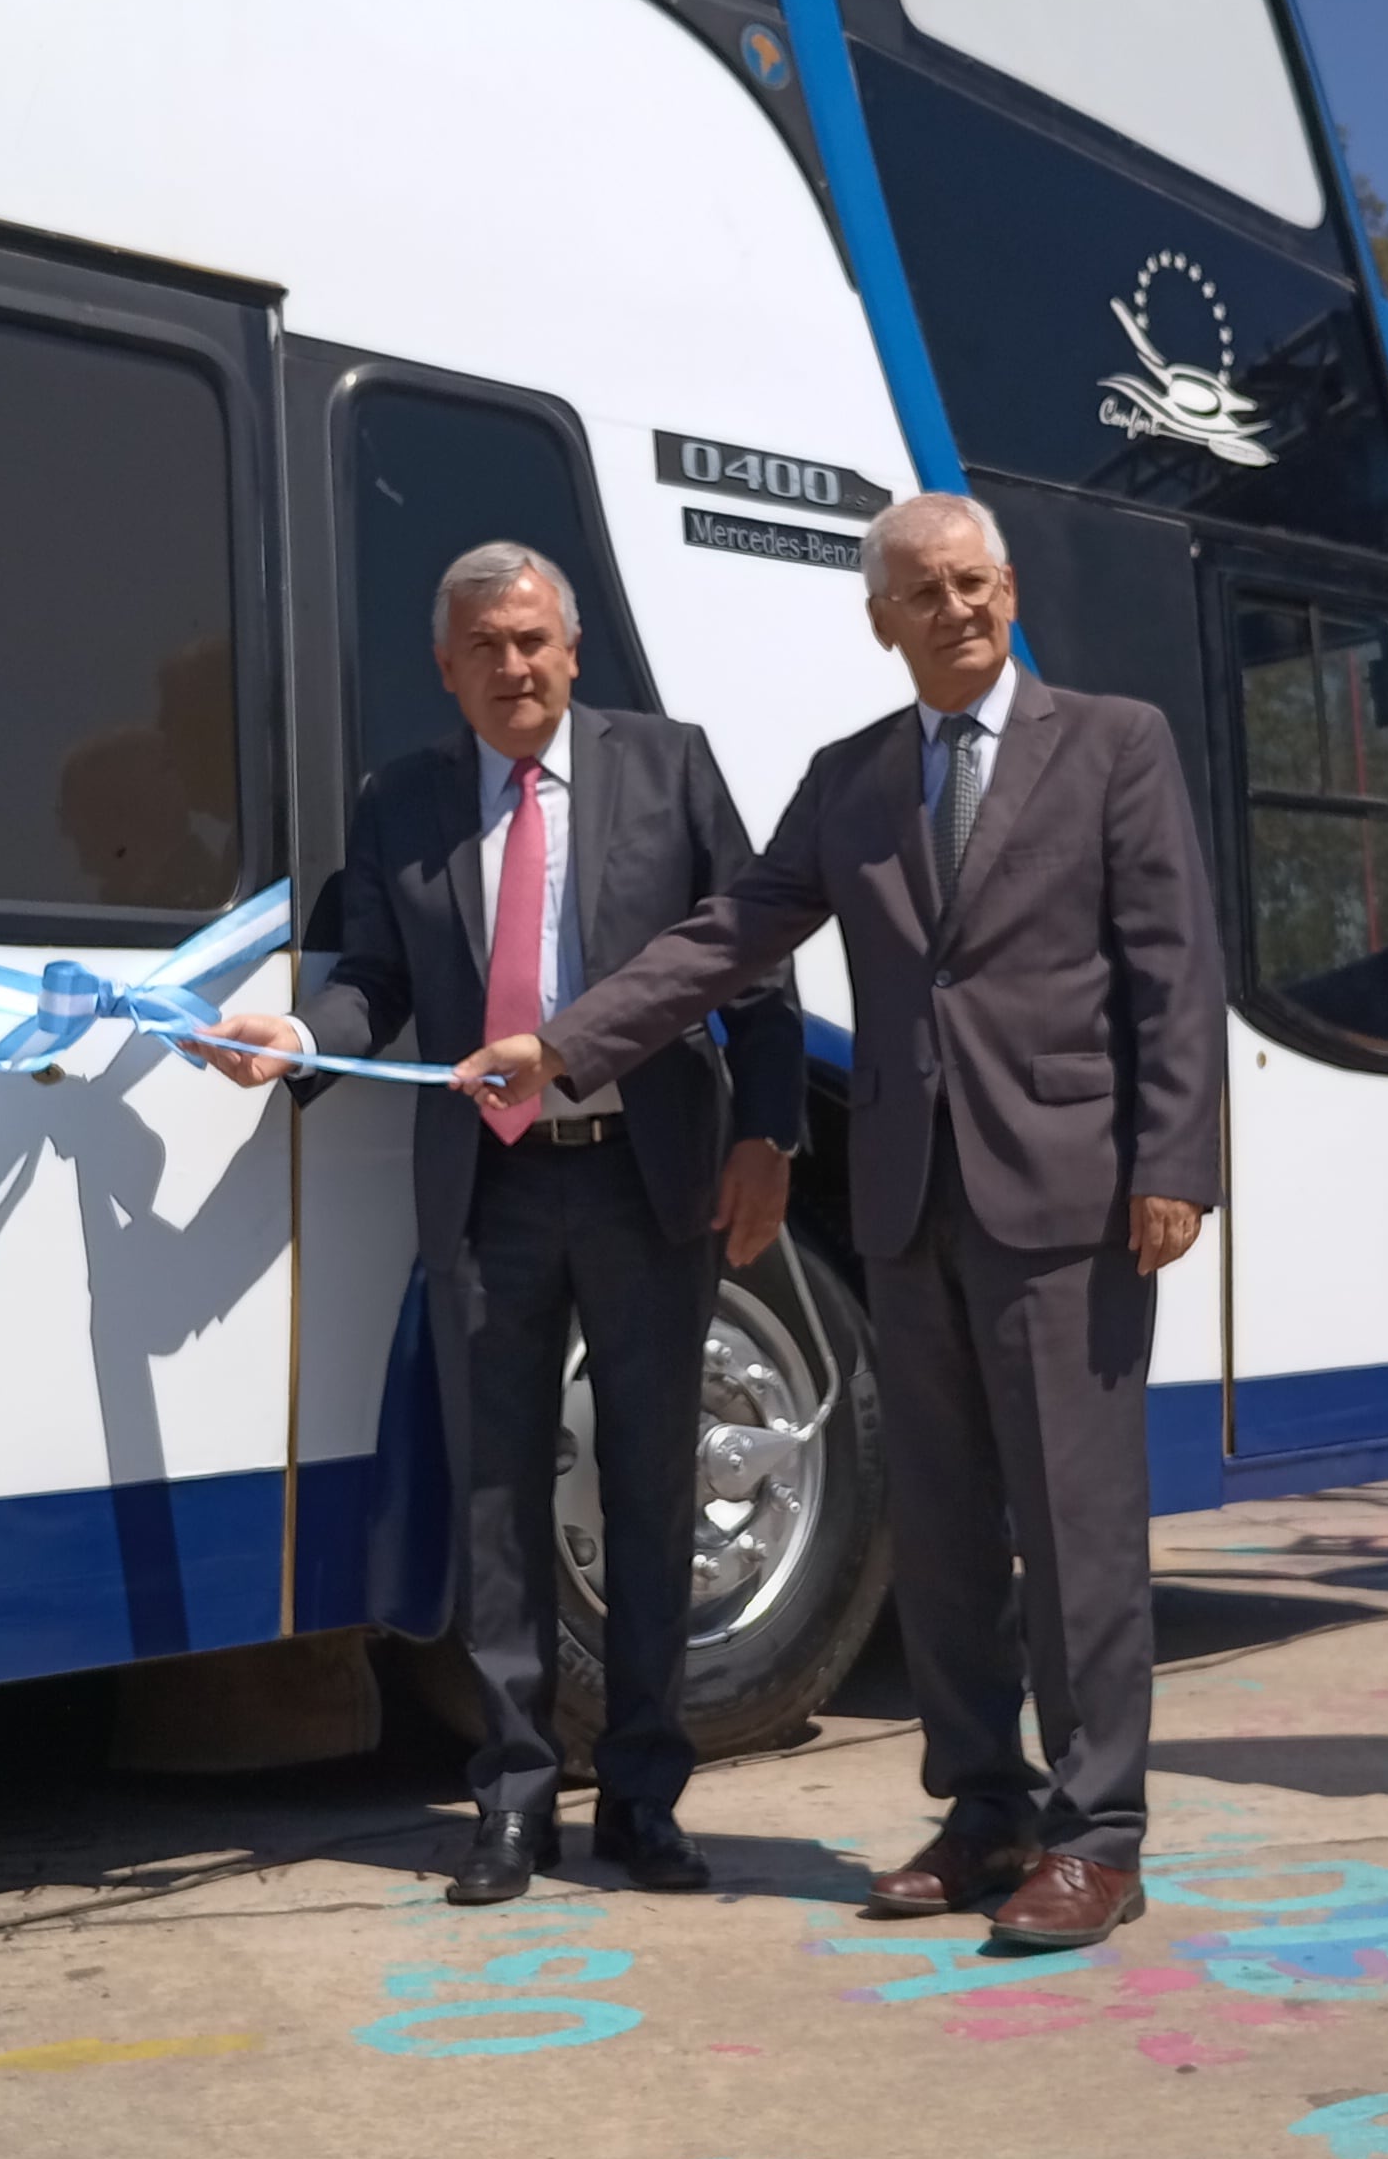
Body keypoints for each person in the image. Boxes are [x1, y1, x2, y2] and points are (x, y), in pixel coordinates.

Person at [454, 492, 1220, 1953]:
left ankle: (1099, 1831)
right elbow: (730, 934)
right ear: (884, 620)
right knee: (936, 1531)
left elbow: (1174, 965)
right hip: (908, 1200)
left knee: (1076, 1530)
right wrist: (564, 1045)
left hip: (1072, 1196)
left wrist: (1172, 1155)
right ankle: (983, 1808)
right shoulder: (853, 777)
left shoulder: (1115, 744)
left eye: (979, 582)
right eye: (926, 593)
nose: (961, 609)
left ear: (1010, 593)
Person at [194, 544, 803, 1905]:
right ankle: (515, 1799)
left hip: (651, 1183)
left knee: (649, 1491)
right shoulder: (403, 802)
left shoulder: (669, 768)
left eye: (533, 640)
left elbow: (755, 964)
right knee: (495, 1502)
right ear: (447, 666)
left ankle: (644, 1798)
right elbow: (373, 984)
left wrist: (769, 1135)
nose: (514, 666)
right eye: (486, 647)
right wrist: (296, 1037)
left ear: (572, 649)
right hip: (490, 1194)